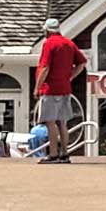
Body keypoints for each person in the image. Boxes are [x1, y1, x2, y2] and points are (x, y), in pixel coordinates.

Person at [32, 24, 84, 164]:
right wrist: (70, 77)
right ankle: (65, 154)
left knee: (50, 122)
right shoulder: (69, 43)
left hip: (50, 89)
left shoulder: (49, 43)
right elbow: (81, 64)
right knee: (62, 122)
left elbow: (45, 67)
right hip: (65, 89)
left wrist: (37, 87)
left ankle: (53, 154)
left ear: (47, 31)